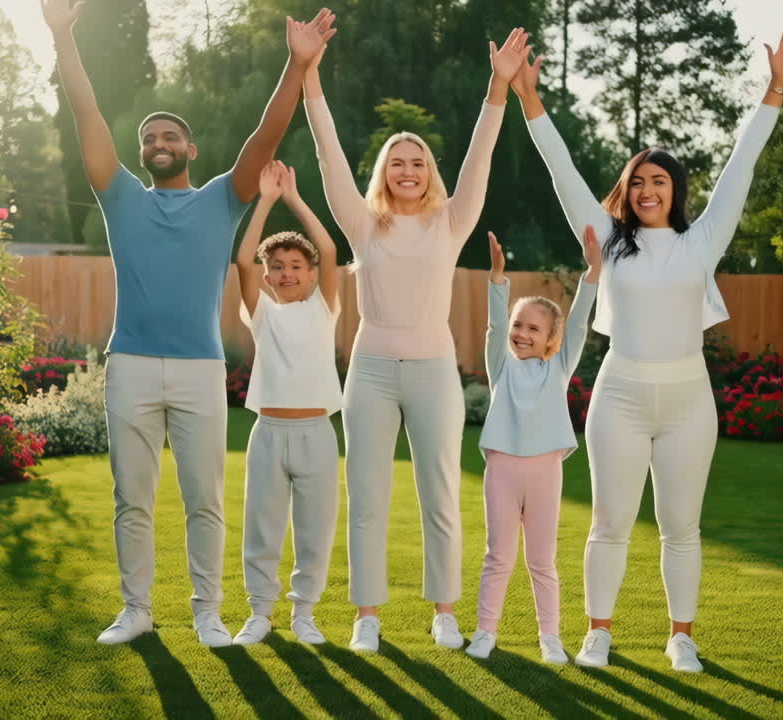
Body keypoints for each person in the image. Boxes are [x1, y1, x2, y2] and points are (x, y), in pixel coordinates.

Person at [42, 0, 338, 647]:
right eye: (148, 138)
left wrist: (295, 64)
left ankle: (208, 611)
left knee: (204, 498)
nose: (157, 143)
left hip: (201, 368)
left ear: (190, 149)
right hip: (133, 366)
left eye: (169, 136)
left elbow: (266, 137)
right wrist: (65, 38)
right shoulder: (118, 195)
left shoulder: (222, 201)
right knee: (133, 499)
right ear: (140, 152)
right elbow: (86, 115)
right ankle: (137, 610)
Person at [509, 26, 783, 671]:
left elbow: (740, 166)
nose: (647, 191)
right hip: (619, 395)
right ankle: (598, 632)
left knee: (681, 526)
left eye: (660, 182)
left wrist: (775, 89)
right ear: (627, 188)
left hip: (687, 399)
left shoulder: (702, 242)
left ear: (675, 190)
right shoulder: (608, 242)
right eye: (638, 181)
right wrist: (530, 100)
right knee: (609, 523)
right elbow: (562, 172)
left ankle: (681, 635)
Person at [302, 28, 533, 652]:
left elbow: (481, 155)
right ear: (383, 172)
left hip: (433, 372)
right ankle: (367, 617)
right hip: (372, 370)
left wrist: (498, 86)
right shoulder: (360, 223)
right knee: (367, 497)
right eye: (397, 162)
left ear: (430, 173)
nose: (408, 170)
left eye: (418, 162)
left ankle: (445, 613)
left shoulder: (451, 221)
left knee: (440, 495)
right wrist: (309, 74)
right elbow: (326, 153)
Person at [465, 227, 600, 664]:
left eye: (533, 328)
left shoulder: (558, 368)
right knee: (498, 556)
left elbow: (578, 322)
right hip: (502, 470)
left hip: (544, 471)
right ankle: (485, 632)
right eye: (519, 325)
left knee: (542, 561)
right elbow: (495, 326)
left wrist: (592, 274)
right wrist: (498, 280)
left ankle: (550, 638)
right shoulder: (501, 365)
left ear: (550, 340)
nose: (522, 333)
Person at [230, 161, 342, 647]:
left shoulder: (324, 307)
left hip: (317, 434)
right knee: (262, 527)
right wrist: (266, 202)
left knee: (315, 532)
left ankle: (304, 616)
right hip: (268, 434)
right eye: (278, 267)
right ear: (269, 276)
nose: (286, 272)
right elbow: (242, 262)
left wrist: (295, 199)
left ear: (313, 274)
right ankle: (259, 613)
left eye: (297, 266)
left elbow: (332, 249)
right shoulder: (261, 313)